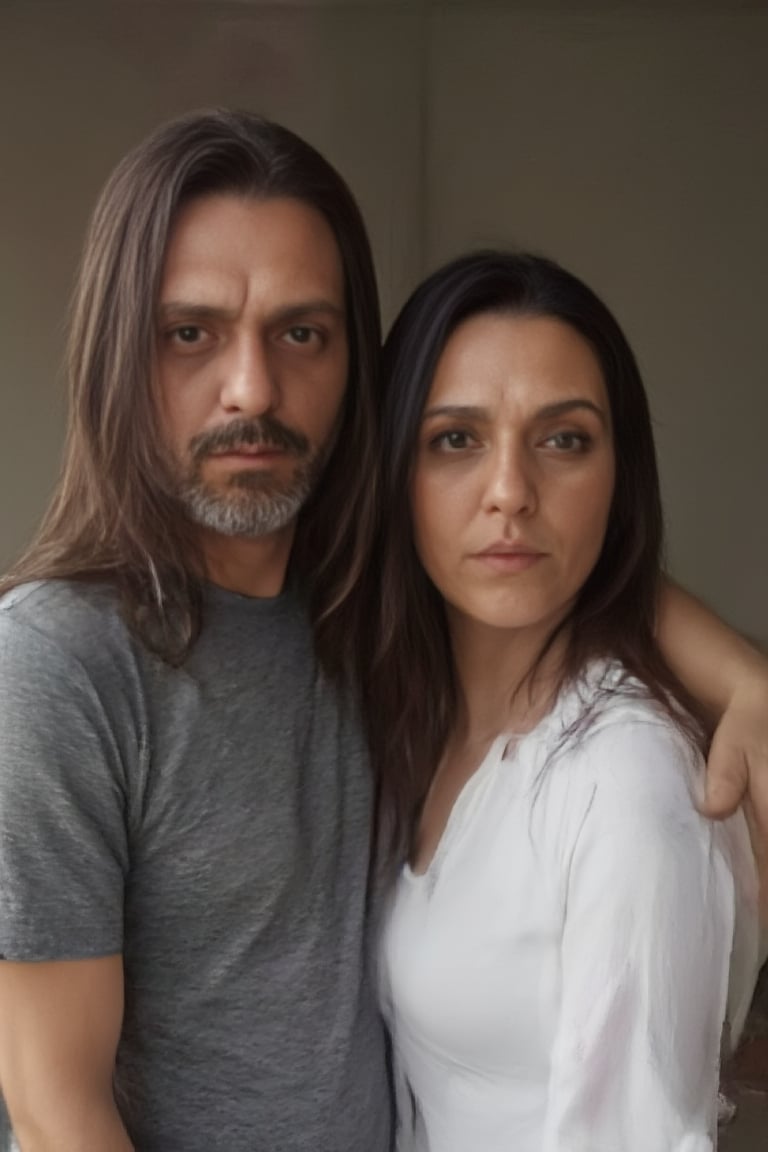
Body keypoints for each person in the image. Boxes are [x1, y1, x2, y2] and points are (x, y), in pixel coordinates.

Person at [0, 110, 765, 1150]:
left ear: (360, 371)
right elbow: (57, 1118)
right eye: (192, 332)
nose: (253, 390)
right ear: (115, 354)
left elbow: (540, 554)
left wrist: (743, 675)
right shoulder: (59, 664)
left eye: (301, 333)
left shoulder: (358, 594)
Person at [368, 250, 761, 1151]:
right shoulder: (416, 718)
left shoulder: (624, 784)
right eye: (456, 439)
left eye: (564, 439)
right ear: (393, 473)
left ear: (618, 477)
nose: (510, 492)